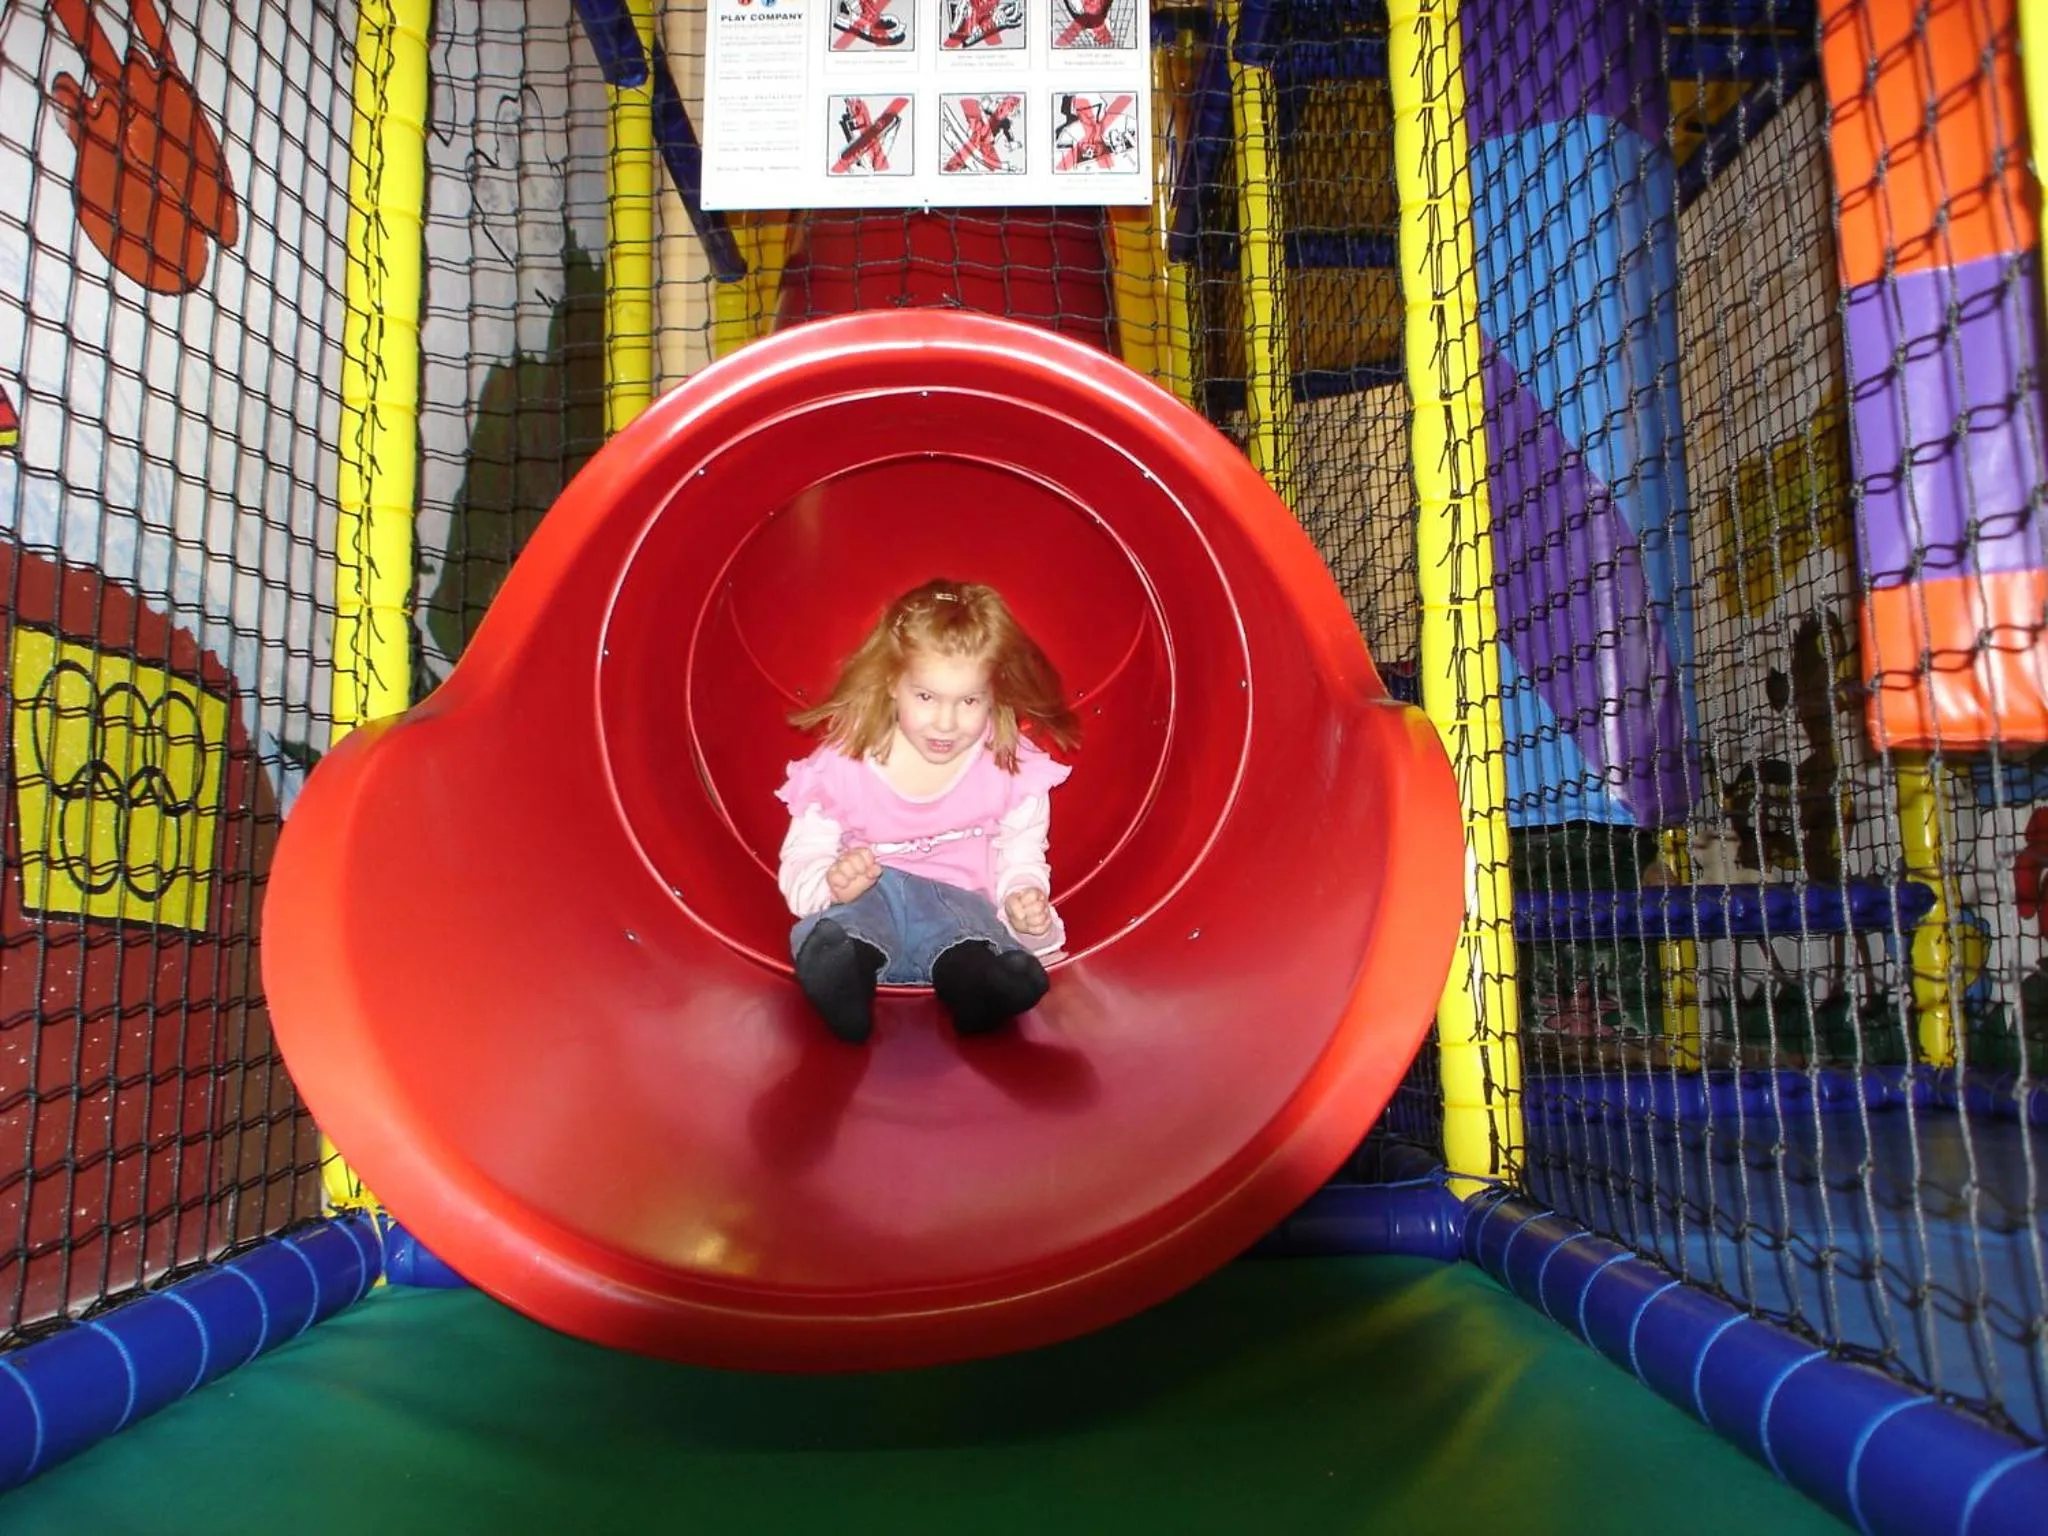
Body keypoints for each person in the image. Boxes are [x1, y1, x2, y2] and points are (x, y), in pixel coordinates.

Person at [775, 579, 1081, 1043]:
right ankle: (844, 987)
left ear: (994, 694)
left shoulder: (1010, 765)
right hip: (867, 899)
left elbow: (1022, 855)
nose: (945, 722)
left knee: (971, 935)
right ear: (892, 684)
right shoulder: (847, 762)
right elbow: (803, 856)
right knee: (844, 927)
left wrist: (1024, 899)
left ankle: (981, 992)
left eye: (969, 701)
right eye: (926, 697)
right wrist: (831, 883)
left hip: (957, 906)